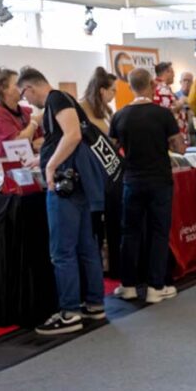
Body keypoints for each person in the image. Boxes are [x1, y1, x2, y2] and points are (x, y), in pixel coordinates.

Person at [17, 67, 106, 336]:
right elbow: (66, 138)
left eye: (24, 94)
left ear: (29, 88)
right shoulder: (62, 100)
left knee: (62, 252)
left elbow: (73, 135)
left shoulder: (56, 99)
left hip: (66, 186)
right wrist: (42, 159)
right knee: (85, 247)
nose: (26, 100)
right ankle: (93, 304)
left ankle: (69, 312)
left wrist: (50, 165)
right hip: (78, 184)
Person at [108, 68, 184, 304]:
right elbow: (180, 148)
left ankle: (128, 285)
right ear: (152, 85)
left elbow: (111, 148)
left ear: (130, 87)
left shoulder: (119, 116)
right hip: (159, 180)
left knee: (130, 233)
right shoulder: (163, 115)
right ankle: (155, 286)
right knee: (158, 232)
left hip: (132, 180)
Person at [80, 67, 121, 277]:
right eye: (113, 90)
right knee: (95, 225)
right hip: (93, 175)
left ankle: (112, 263)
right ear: (102, 90)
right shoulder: (80, 108)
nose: (114, 95)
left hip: (110, 174)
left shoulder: (106, 111)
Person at [0, 66, 42, 162]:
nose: (23, 87)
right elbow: (17, 145)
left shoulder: (26, 111)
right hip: (10, 166)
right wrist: (34, 123)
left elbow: (41, 141)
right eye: (18, 84)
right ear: (3, 88)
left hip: (30, 163)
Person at [153, 62, 188, 141]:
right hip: (172, 136)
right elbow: (169, 110)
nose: (174, 75)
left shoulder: (158, 87)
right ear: (166, 72)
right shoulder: (162, 88)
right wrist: (181, 101)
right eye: (172, 72)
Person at [80, 67, 117, 135]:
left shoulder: (108, 109)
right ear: (102, 91)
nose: (115, 94)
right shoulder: (82, 108)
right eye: (113, 90)